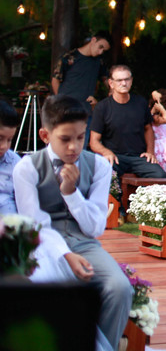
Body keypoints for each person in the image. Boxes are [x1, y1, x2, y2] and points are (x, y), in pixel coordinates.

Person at [13, 96, 134, 351]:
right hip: (42, 246)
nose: (74, 147)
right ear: (45, 135)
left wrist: (71, 193)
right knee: (48, 291)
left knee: (119, 287)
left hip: (84, 244)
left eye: (80, 137)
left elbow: (95, 228)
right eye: (65, 139)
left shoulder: (98, 165)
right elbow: (34, 225)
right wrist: (64, 255)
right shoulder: (27, 168)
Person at [89, 65, 166, 179]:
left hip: (139, 157)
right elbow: (94, 141)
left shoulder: (141, 103)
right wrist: (106, 152)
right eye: (119, 80)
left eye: (127, 79)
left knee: (160, 175)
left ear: (131, 81)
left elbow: (148, 129)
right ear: (111, 83)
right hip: (115, 157)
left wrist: (150, 152)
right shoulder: (102, 107)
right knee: (104, 173)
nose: (124, 83)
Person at [50, 30, 111, 120]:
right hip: (67, 109)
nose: (100, 52)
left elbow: (106, 79)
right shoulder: (70, 57)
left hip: (86, 111)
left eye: (103, 50)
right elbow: (55, 79)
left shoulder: (99, 61)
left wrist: (112, 90)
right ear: (93, 40)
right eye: (100, 47)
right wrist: (60, 101)